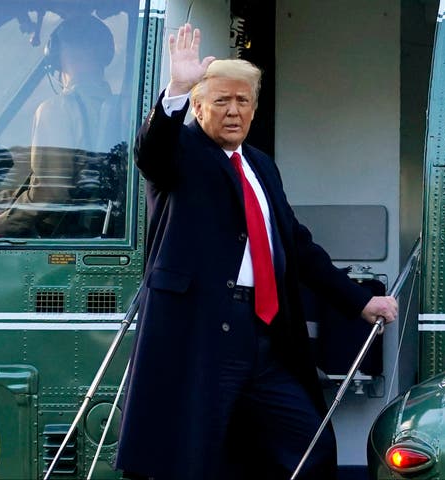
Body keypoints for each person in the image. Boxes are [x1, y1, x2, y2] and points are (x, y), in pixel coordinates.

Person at [116, 23, 398, 480]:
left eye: (242, 101)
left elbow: (298, 246)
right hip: (201, 335)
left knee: (311, 449)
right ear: (199, 107)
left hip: (264, 338)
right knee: (192, 461)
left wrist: (360, 300)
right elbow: (151, 152)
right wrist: (178, 89)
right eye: (220, 101)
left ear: (254, 108)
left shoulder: (261, 164)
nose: (233, 111)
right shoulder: (182, 150)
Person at [0, 15, 115, 237]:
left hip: (54, 235)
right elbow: (39, 187)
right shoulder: (117, 107)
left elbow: (50, 192)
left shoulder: (57, 109)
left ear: (55, 54)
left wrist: (1, 223)